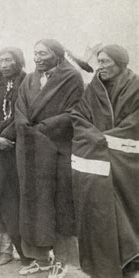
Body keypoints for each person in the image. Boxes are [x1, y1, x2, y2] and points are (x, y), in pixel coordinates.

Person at [15, 39, 90, 278]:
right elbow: (20, 106)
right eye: (35, 53)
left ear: (57, 55)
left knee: (59, 203)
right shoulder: (29, 78)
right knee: (33, 203)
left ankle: (63, 259)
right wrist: (25, 127)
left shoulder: (72, 78)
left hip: (57, 147)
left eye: (43, 53)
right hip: (30, 149)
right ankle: (41, 258)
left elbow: (75, 112)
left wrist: (43, 127)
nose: (37, 58)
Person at [71, 44, 139, 278]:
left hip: (126, 163)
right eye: (99, 62)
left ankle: (131, 263)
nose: (101, 67)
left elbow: (135, 122)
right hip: (97, 161)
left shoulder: (136, 86)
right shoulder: (92, 89)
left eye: (106, 62)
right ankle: (105, 266)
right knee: (100, 212)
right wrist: (95, 138)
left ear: (120, 64)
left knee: (128, 211)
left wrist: (108, 139)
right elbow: (79, 116)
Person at [0, 47, 28, 266]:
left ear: (18, 62)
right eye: (1, 60)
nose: (5, 64)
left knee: (13, 198)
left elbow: (23, 114)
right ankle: (4, 243)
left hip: (15, 148)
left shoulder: (28, 82)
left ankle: (15, 248)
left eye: (10, 60)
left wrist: (5, 138)